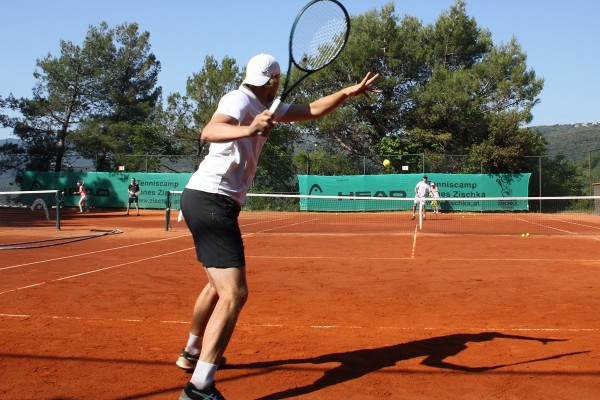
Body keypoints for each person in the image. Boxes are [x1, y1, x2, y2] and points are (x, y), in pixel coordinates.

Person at [176, 53, 380, 400]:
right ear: (272, 80)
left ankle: (192, 352)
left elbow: (314, 109)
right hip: (212, 199)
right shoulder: (239, 99)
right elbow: (209, 131)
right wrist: (250, 128)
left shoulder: (267, 104)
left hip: (205, 199)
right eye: (278, 79)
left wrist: (348, 93)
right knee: (234, 293)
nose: (279, 84)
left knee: (215, 286)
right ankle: (199, 387)